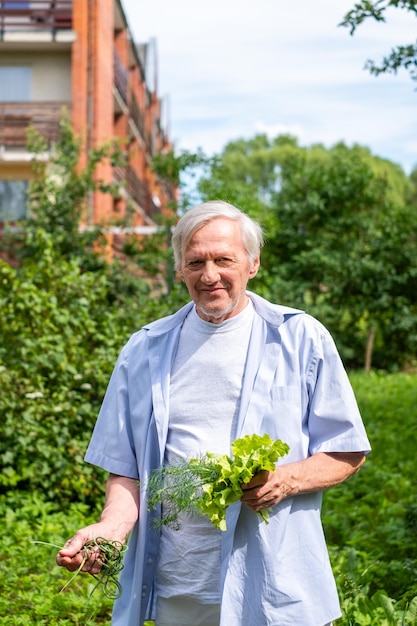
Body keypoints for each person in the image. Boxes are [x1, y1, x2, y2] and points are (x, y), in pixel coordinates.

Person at [57, 200, 371, 626]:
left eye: (224, 259)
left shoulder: (301, 338)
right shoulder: (144, 348)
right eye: (196, 261)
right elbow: (126, 470)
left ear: (252, 263)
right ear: (179, 270)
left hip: (272, 581)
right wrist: (111, 528)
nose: (210, 275)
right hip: (176, 585)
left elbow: (346, 451)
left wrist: (283, 481)